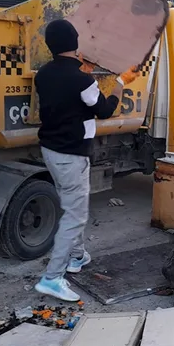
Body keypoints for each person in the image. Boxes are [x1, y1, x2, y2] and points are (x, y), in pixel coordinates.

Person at [33, 19, 123, 302]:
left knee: (72, 206)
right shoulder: (83, 80)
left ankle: (77, 257)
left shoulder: (43, 74)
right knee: (75, 214)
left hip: (51, 150)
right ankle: (52, 278)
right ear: (75, 43)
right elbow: (104, 110)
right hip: (71, 154)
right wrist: (120, 85)